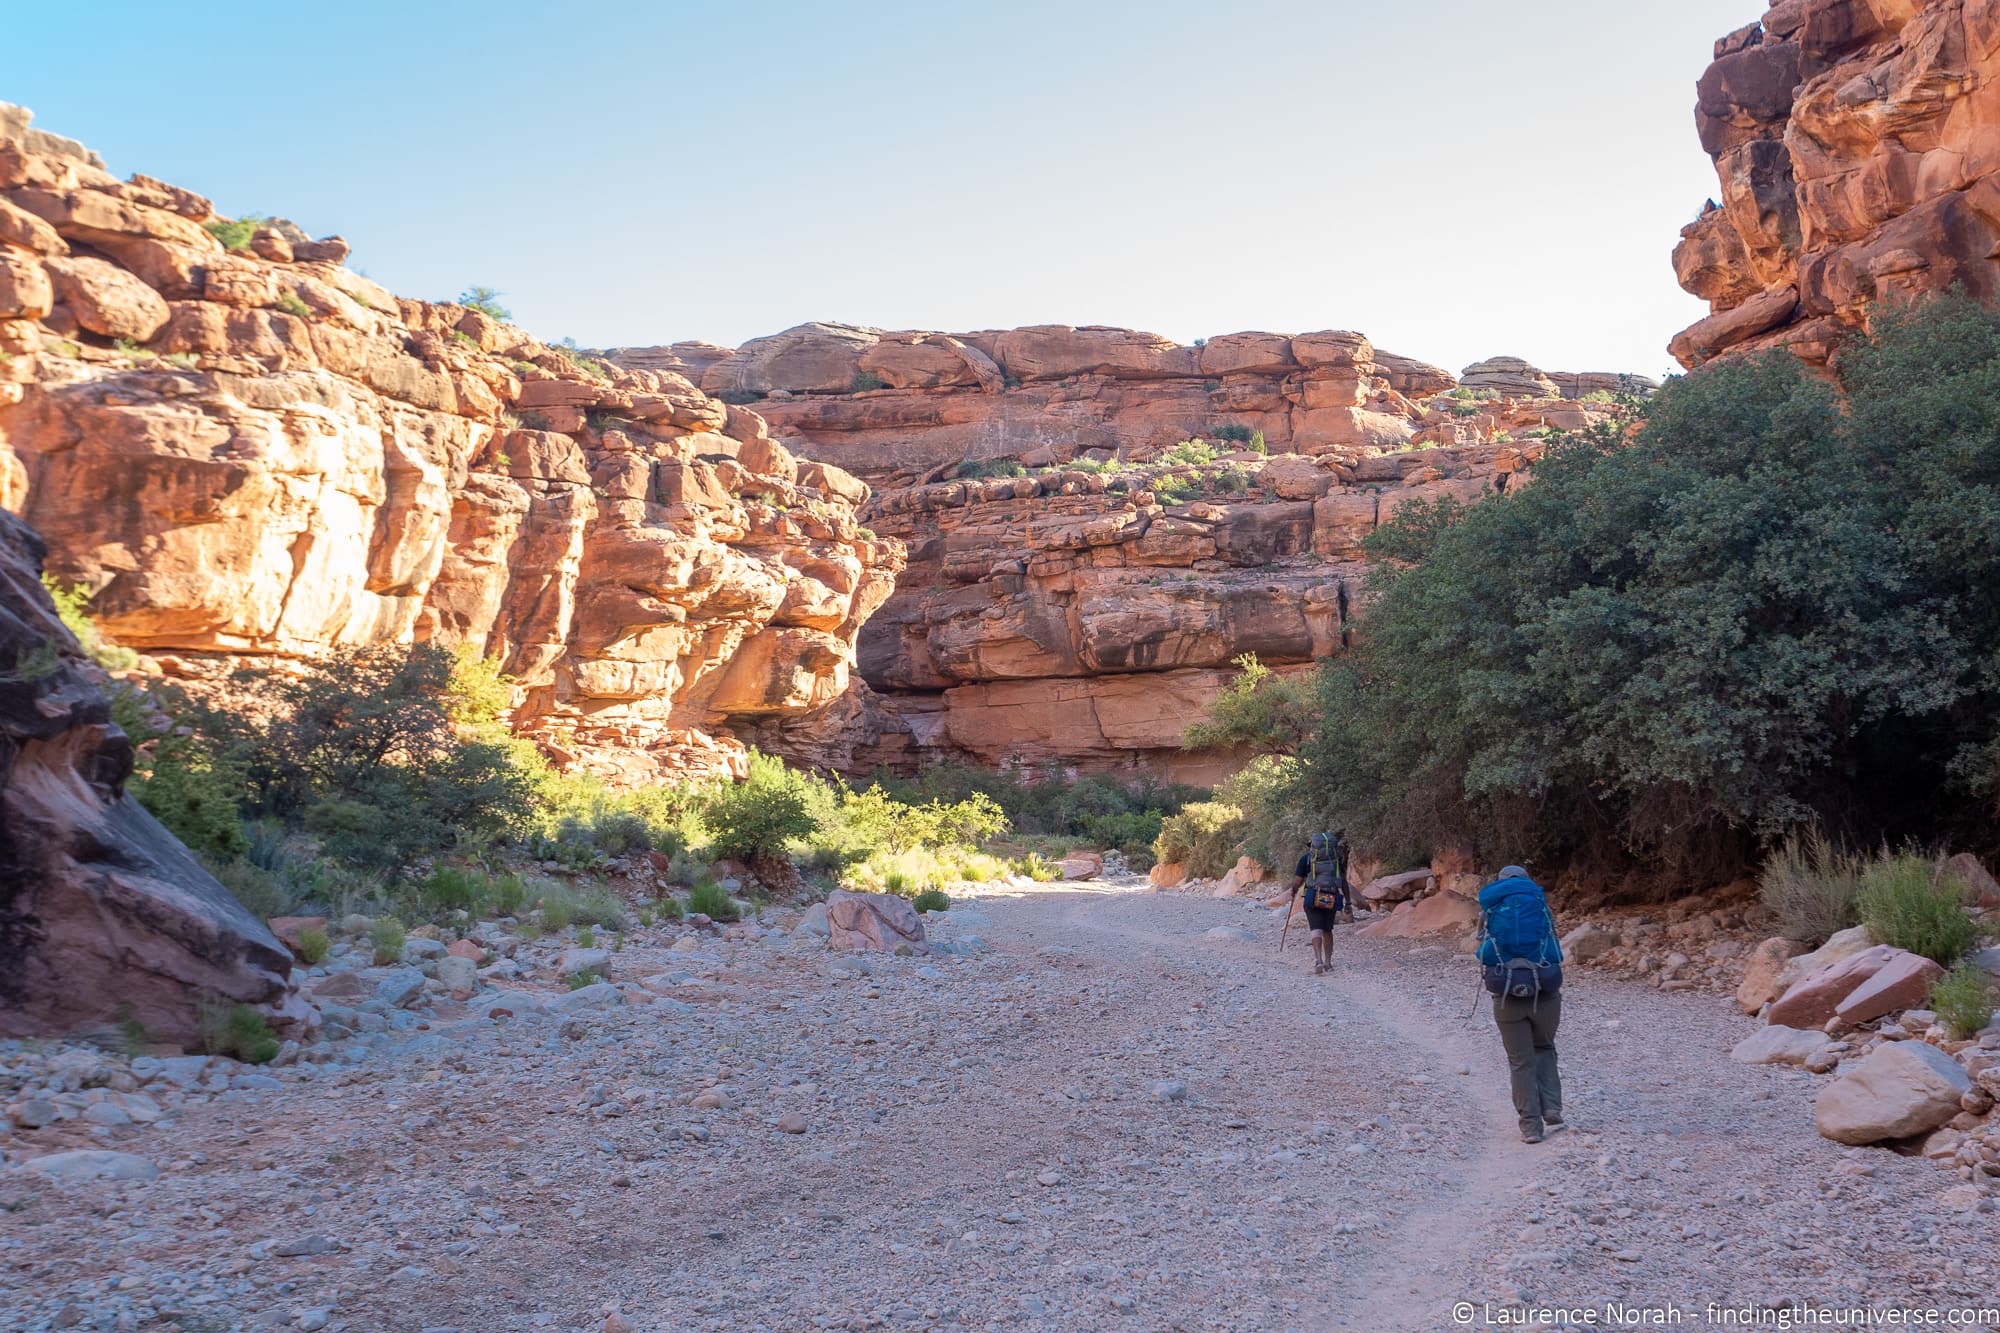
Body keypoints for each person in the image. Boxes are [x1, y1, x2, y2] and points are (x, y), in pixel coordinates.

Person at [1476, 864, 1565, 1144]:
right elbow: (1554, 945)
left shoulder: (1490, 909)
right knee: (1545, 1048)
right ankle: (1552, 1107)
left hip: (1506, 993)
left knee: (1520, 1061)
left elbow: (1482, 950)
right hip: (1545, 991)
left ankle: (1530, 1126)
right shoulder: (1539, 904)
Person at [1286, 831, 1350, 976]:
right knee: (1328, 930)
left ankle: (1318, 959)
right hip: (1331, 896)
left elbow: (1297, 881)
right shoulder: (1336, 860)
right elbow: (1344, 882)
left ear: (1312, 846)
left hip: (1312, 897)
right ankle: (1328, 962)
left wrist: (1293, 890)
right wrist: (1349, 902)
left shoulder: (1306, 859)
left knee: (1316, 928)